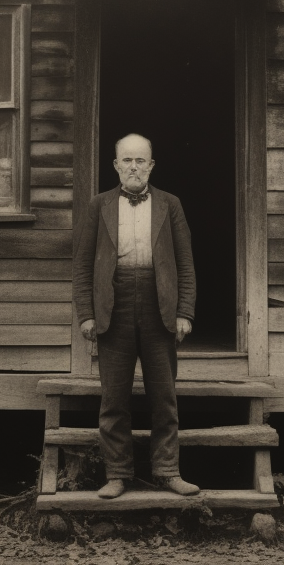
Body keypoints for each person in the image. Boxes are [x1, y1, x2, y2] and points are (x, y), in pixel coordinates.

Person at [72, 133, 200, 499]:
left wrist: (184, 312)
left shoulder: (170, 205)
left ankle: (168, 471)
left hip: (159, 306)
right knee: (114, 398)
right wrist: (86, 314)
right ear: (116, 166)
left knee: (164, 395)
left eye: (140, 161)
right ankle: (116, 474)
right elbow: (82, 266)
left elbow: (185, 264)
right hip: (113, 306)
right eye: (126, 160)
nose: (133, 167)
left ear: (151, 166)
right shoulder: (98, 206)